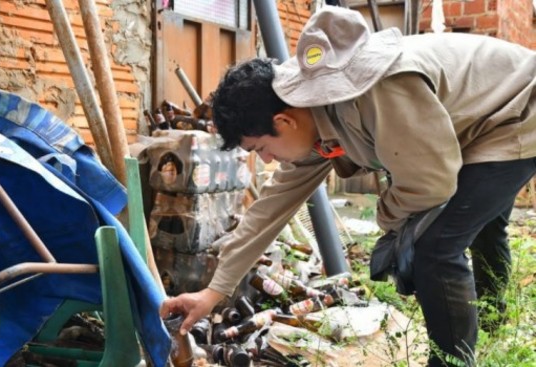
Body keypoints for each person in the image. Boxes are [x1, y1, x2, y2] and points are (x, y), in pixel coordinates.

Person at [159, 5, 536, 366]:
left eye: (262, 148)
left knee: (436, 246)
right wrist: (214, 291)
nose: (269, 161)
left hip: (516, 109)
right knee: (482, 225)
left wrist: (389, 223)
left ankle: (453, 361)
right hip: (478, 120)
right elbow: (270, 208)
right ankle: (489, 326)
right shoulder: (310, 113)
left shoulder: (377, 91)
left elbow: (431, 183)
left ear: (284, 122)